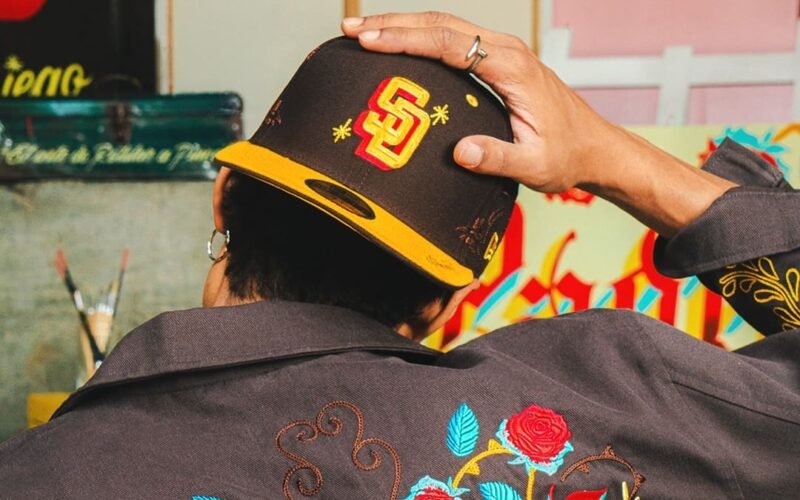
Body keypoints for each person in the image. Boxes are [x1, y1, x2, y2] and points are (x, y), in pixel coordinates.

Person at [1, 12, 798, 499]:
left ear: (223, 199)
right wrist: (615, 160)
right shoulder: (602, 406)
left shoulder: (34, 473)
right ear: (446, 299)